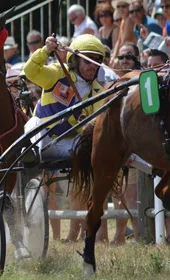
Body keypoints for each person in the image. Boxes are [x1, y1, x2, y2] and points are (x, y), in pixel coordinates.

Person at [23, 35, 108, 242]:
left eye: (96, 60)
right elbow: (29, 71)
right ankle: (28, 162)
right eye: (87, 59)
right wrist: (45, 50)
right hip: (42, 140)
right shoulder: (55, 73)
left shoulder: (98, 91)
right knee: (33, 124)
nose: (91, 66)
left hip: (70, 145)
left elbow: (97, 125)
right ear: (75, 60)